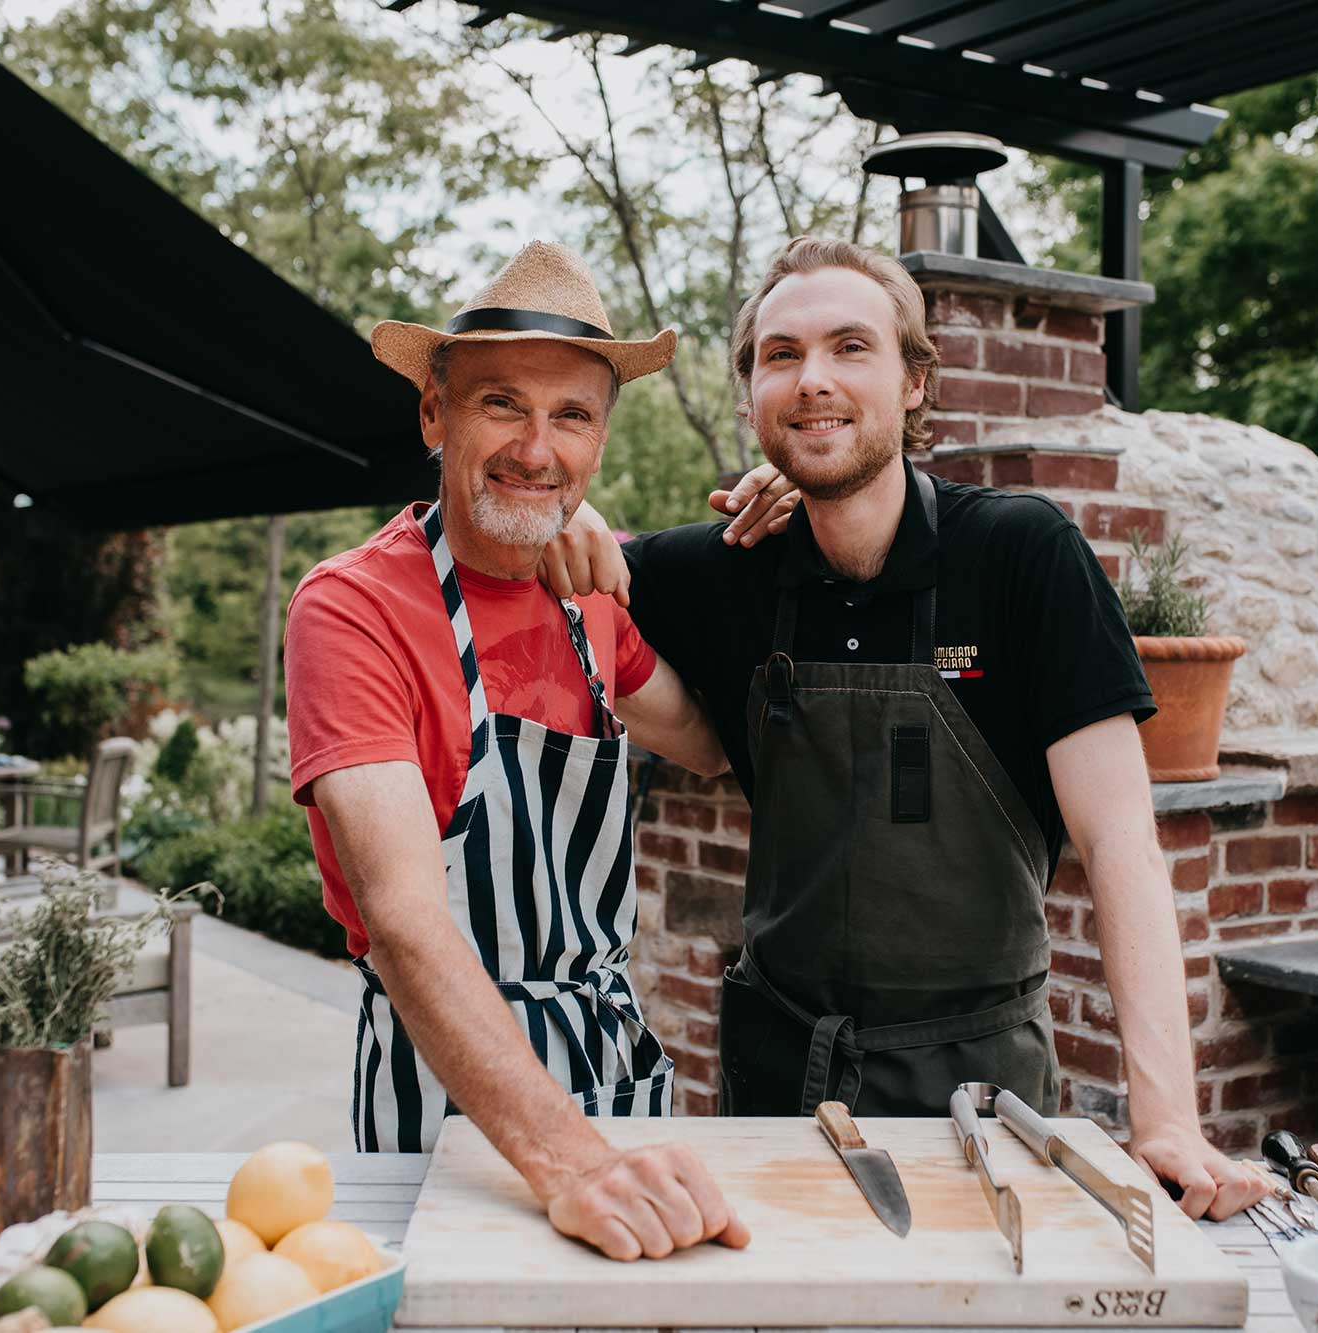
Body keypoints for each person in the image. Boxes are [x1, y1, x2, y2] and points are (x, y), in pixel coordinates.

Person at [544, 236, 1268, 1222]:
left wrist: (1167, 1119)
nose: (812, 381)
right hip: (774, 1079)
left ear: (914, 382)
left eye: (850, 348)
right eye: (780, 355)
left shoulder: (1020, 556)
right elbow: (534, 573)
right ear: (751, 390)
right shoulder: (715, 573)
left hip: (977, 1091)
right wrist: (565, 524)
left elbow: (1121, 849)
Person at [284, 241, 749, 1261]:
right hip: (441, 1092)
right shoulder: (350, 608)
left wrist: (777, 527)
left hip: (607, 1070)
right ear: (432, 414)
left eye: (571, 416)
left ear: (599, 442)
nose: (536, 448)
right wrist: (570, 1161)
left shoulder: (594, 599)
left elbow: (712, 746)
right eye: (501, 404)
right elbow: (405, 921)